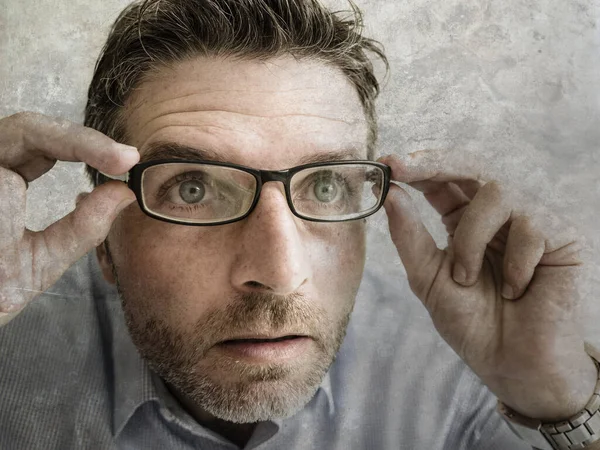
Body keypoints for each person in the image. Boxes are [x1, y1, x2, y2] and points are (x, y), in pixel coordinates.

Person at [1, 0, 599, 449]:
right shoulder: (13, 353)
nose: (281, 273)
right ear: (106, 238)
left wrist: (562, 399)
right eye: (193, 188)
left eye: (326, 185)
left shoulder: (456, 365)